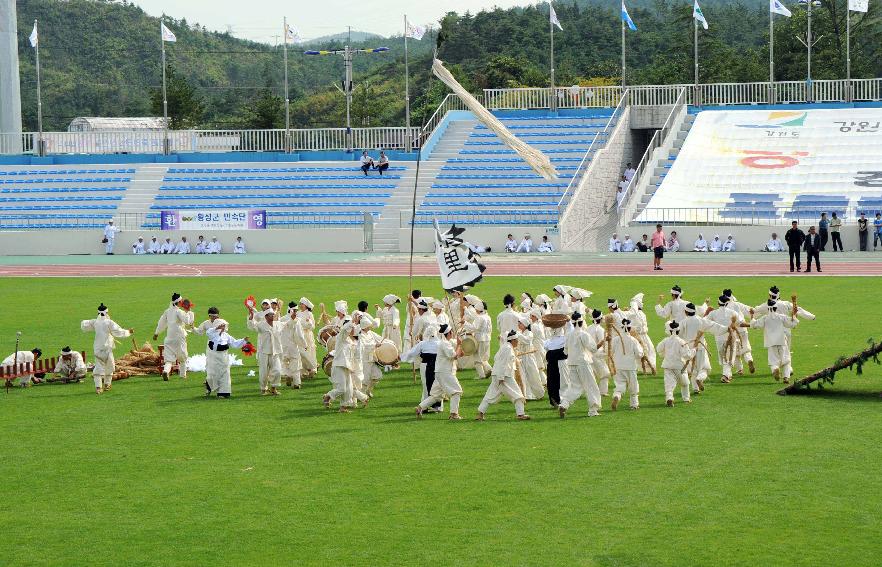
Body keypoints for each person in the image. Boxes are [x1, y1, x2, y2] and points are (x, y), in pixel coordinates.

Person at [476, 331, 531, 421]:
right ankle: (520, 414)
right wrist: (501, 377)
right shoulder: (508, 349)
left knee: (490, 394)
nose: (518, 342)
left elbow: (496, 358)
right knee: (518, 394)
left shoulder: (505, 347)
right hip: (504, 376)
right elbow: (503, 363)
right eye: (517, 340)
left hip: (498, 375)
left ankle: (480, 414)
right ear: (513, 340)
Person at [414, 324, 463, 420]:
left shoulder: (444, 342)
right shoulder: (445, 344)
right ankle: (454, 414)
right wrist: (459, 345)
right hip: (445, 372)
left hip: (439, 372)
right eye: (451, 331)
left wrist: (459, 349)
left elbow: (455, 355)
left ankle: (420, 407)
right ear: (449, 333)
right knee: (456, 392)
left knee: (436, 395)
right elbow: (453, 355)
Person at [81, 304, 132, 394]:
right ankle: (106, 385)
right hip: (107, 349)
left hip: (97, 349)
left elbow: (84, 325)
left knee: (99, 368)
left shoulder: (95, 322)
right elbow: (118, 332)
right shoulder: (109, 322)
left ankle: (100, 387)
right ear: (107, 312)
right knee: (110, 367)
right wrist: (128, 332)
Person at [558, 312, 601, 418]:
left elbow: (566, 351)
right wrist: (603, 342)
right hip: (583, 363)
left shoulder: (568, 335)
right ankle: (593, 410)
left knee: (575, 387)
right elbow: (593, 348)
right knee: (591, 385)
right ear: (582, 322)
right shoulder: (584, 334)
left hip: (572, 363)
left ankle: (564, 404)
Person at [751, 300, 799, 384]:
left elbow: (755, 325)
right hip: (782, 341)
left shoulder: (765, 318)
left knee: (773, 361)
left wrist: (752, 316)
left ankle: (775, 369)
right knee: (786, 360)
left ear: (768, 309)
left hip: (771, 342)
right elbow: (792, 324)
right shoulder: (781, 317)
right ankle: (786, 377)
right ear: (776, 308)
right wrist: (794, 315)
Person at [153, 293, 194, 381]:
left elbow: (161, 323)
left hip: (169, 338)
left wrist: (156, 333)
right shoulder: (179, 311)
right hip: (179, 337)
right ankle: (183, 375)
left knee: (169, 359)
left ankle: (166, 371)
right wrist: (188, 311)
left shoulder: (167, 311)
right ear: (179, 302)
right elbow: (187, 321)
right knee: (182, 357)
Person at [247, 304, 284, 396]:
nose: (273, 316)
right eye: (271, 315)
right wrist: (251, 317)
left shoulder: (278, 324)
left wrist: (293, 317)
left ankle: (273, 388)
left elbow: (288, 323)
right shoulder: (261, 325)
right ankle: (263, 389)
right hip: (264, 351)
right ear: (266, 316)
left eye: (273, 314)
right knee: (263, 372)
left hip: (275, 351)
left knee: (277, 371)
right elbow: (252, 326)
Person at [206, 319, 248, 398]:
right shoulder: (212, 334)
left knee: (225, 375)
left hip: (224, 358)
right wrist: (216, 328)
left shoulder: (226, 335)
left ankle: (224, 393)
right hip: (214, 357)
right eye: (221, 325)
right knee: (213, 375)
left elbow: (234, 343)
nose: (223, 327)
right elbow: (208, 332)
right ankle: (209, 385)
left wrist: (243, 340)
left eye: (224, 325)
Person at [656, 321, 694, 407]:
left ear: (669, 331)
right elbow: (687, 355)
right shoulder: (681, 342)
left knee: (669, 383)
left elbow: (658, 349)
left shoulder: (665, 340)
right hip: (679, 366)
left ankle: (669, 398)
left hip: (668, 365)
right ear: (678, 330)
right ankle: (686, 398)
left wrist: (663, 354)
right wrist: (693, 351)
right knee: (685, 383)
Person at [609, 318, 644, 411]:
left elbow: (610, 351)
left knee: (619, 385)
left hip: (618, 366)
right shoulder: (633, 340)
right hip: (630, 366)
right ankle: (634, 404)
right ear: (629, 328)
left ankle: (617, 395)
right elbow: (639, 354)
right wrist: (642, 352)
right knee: (633, 385)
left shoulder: (616, 339)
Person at [280, 302, 306, 389]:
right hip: (293, 346)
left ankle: (288, 374)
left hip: (283, 345)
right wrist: (304, 344)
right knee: (295, 362)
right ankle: (296, 383)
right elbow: (299, 335)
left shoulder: (282, 319)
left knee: (284, 361)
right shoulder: (297, 321)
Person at [296, 298, 318, 378]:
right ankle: (304, 370)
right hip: (299, 334)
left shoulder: (309, 314)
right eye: (300, 304)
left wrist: (309, 323)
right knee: (300, 352)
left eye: (302, 304)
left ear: (306, 305)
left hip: (307, 335)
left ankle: (312, 368)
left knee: (309, 351)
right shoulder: (297, 313)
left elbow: (313, 327)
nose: (301, 305)